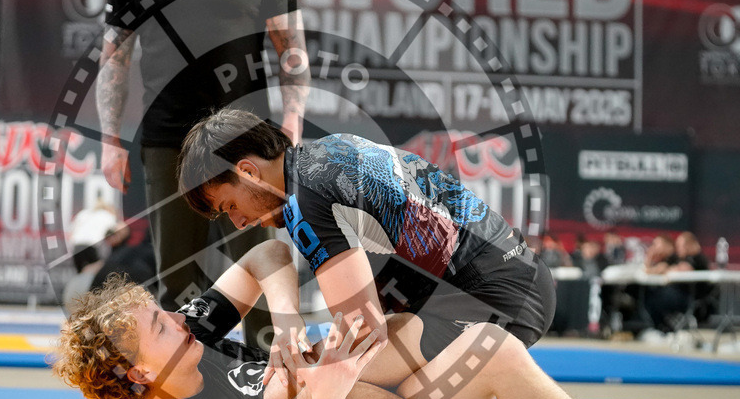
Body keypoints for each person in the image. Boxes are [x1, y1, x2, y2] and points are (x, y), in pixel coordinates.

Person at [54, 240, 717, 399]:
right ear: (140, 375)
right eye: (156, 326)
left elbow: (269, 257)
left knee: (493, 345)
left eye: (161, 309)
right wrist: (325, 391)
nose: (175, 315)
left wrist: (286, 323)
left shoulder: (195, 331)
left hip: (382, 387)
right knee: (307, 387)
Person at [94, 0, 310, 348]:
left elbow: (290, 47)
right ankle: (186, 381)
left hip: (247, 144)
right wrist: (111, 142)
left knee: (260, 259)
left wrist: (293, 117)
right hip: (168, 140)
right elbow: (115, 63)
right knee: (177, 272)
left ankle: (268, 370)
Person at [177, 108, 555, 361]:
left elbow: (363, 329)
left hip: (496, 306)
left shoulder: (302, 203)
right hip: (522, 278)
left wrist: (298, 356)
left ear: (247, 172)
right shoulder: (327, 149)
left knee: (333, 390)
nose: (239, 222)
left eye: (229, 206)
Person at [644, 232, 713, 332]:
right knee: (650, 294)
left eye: (680, 246)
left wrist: (667, 270)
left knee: (655, 298)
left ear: (689, 245)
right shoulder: (680, 259)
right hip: (679, 294)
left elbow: (683, 269)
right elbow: (658, 269)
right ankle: (662, 328)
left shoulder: (698, 258)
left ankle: (663, 328)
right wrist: (651, 257)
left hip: (691, 299)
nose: (678, 249)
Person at [67, 198, 120, 273]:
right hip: (91, 247)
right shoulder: (108, 216)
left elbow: (71, 230)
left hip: (76, 247)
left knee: (80, 274)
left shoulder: (84, 213)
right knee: (94, 274)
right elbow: (115, 230)